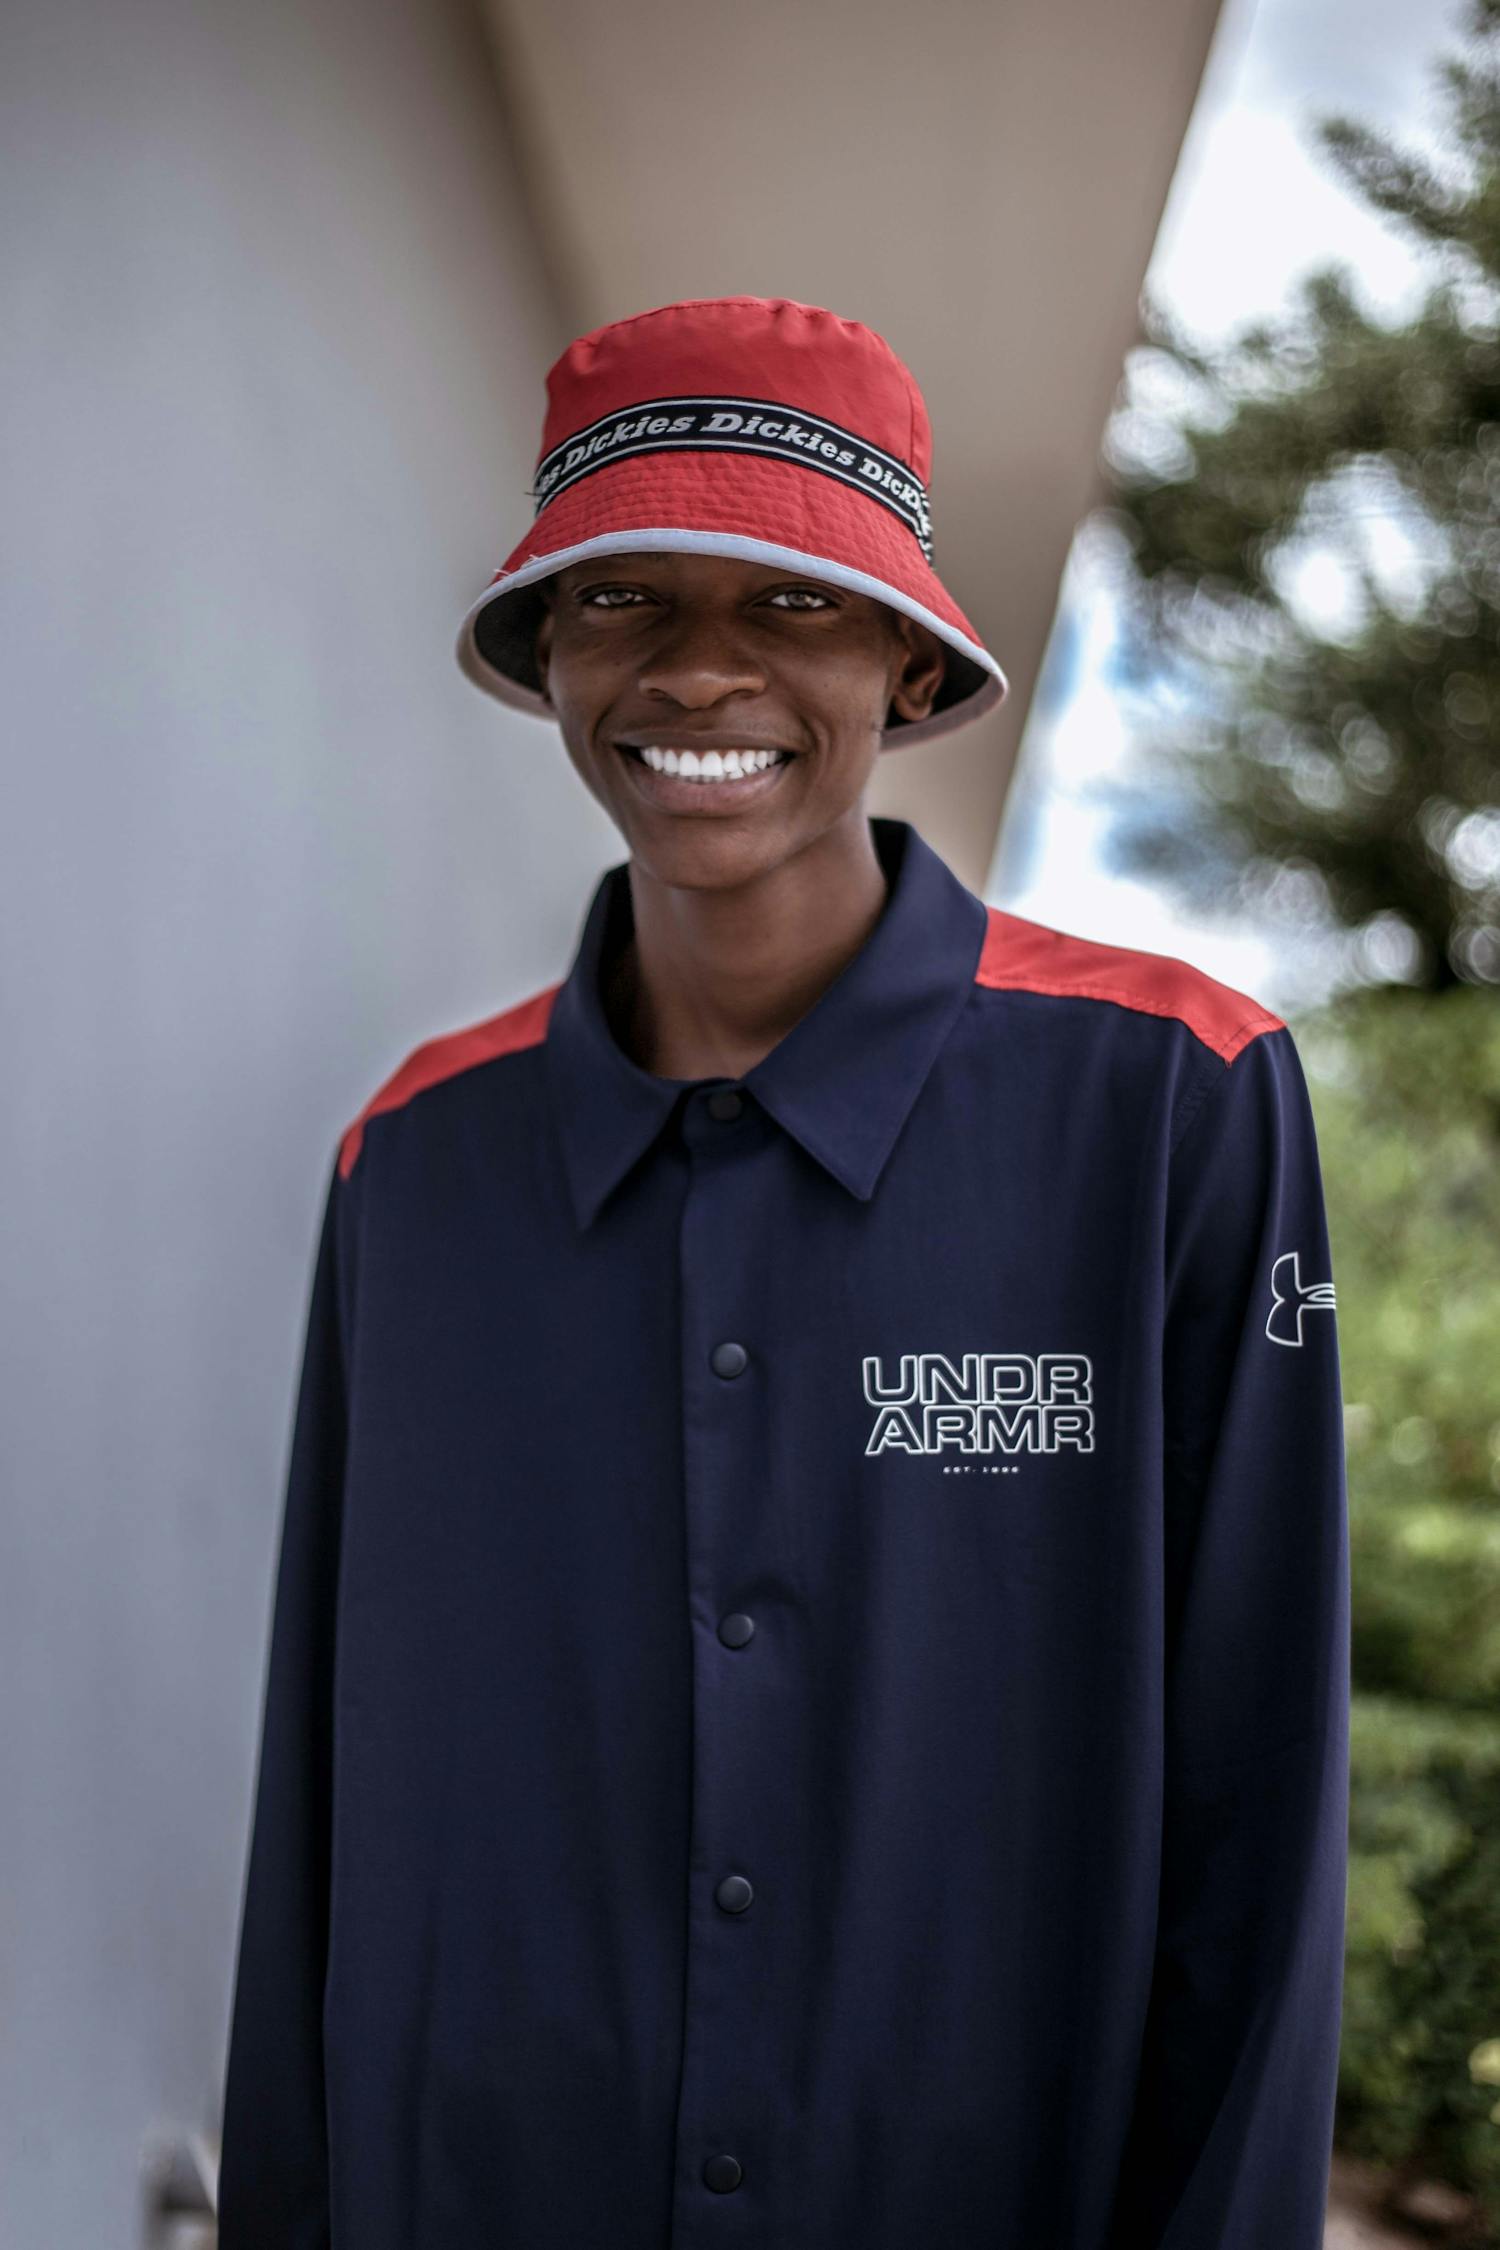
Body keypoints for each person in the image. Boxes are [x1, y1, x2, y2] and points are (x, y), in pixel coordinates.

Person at [216, 295, 1350, 2250]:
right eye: (622, 600)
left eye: (798, 603)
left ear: (914, 660)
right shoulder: (411, 1165)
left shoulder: (1177, 1105)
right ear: (549, 654)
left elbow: (1263, 1832)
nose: (701, 672)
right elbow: (315, 1830)